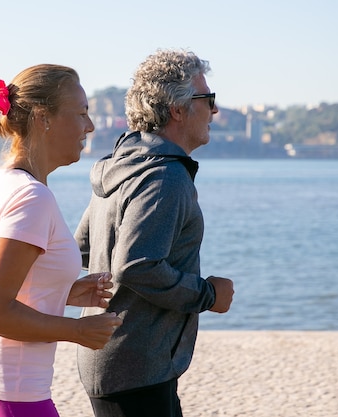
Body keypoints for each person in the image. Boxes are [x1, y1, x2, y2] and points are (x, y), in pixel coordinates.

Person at [0, 64, 123, 417]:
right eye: (82, 113)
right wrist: (78, 330)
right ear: (43, 118)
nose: (90, 126)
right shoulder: (30, 197)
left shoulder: (5, 182)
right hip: (10, 391)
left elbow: (10, 287)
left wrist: (65, 293)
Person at [74, 49, 235, 417]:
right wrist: (209, 295)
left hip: (113, 360)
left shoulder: (121, 166)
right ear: (177, 109)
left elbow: (82, 249)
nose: (214, 110)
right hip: (136, 368)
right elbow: (136, 265)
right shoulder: (165, 175)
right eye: (207, 99)